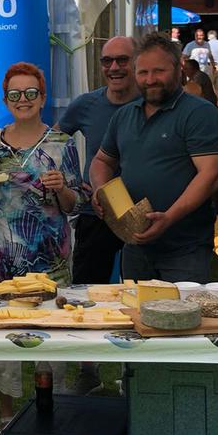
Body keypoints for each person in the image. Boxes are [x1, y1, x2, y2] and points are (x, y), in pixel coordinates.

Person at [0, 63, 83, 430]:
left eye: (30, 94)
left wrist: (61, 188)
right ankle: (6, 415)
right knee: (4, 337)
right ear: (6, 99)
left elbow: (74, 204)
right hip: (2, 256)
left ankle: (57, 409)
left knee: (53, 334)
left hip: (50, 255)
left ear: (42, 98)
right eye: (15, 95)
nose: (23, 100)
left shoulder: (61, 144)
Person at [91, 32, 218, 283]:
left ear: (179, 70)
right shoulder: (124, 115)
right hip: (135, 246)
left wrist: (169, 217)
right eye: (143, 72)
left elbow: (212, 175)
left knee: (187, 317)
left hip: (185, 249)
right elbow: (102, 160)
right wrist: (100, 190)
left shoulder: (199, 113)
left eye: (159, 71)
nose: (150, 79)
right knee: (137, 317)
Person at [55, 35, 141, 396]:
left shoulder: (149, 102)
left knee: (136, 293)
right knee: (87, 291)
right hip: (96, 213)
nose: (114, 68)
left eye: (122, 60)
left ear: (136, 63)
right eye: (107, 61)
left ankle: (136, 369)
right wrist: (73, 181)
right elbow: (56, 140)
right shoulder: (86, 104)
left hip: (143, 216)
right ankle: (88, 367)